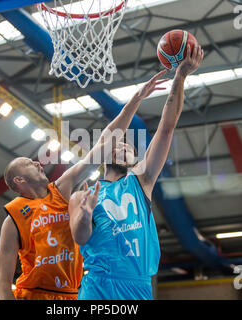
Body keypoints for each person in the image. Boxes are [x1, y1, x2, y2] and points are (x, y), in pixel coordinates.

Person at [0, 70, 168, 300]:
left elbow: (104, 144)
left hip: (72, 294)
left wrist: (135, 101)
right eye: (28, 163)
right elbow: (2, 277)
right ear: (19, 180)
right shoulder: (14, 218)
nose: (37, 162)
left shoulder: (61, 189)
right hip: (33, 294)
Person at [68, 44, 204, 300]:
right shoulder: (82, 195)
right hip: (98, 286)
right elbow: (80, 237)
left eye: (127, 146)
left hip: (139, 286)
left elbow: (167, 127)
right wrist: (85, 217)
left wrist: (180, 76)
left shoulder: (142, 181)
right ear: (105, 154)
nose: (121, 147)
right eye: (117, 144)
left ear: (133, 158)